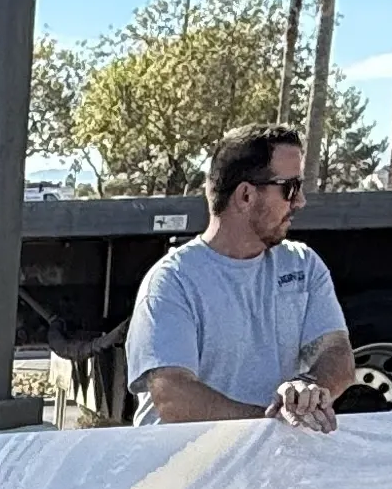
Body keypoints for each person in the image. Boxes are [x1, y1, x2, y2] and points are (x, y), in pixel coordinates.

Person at [125, 123, 357, 428]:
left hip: (267, 467)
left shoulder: (303, 265)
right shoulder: (173, 281)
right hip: (188, 469)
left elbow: (338, 354)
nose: (300, 202)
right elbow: (172, 396)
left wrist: (309, 387)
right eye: (290, 188)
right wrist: (270, 425)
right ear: (246, 195)